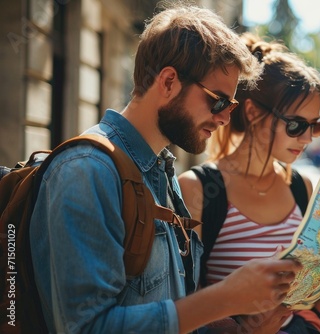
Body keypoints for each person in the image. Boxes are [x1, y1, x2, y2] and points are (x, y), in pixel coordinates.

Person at [29, 4, 303, 334]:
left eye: (231, 105)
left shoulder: (161, 171)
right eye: (218, 101)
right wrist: (223, 298)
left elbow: (169, 306)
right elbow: (88, 328)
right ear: (169, 81)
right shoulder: (88, 171)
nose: (225, 117)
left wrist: (240, 327)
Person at [179, 33, 320, 334]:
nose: (307, 138)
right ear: (252, 112)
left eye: (316, 125)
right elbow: (180, 307)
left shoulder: (302, 188)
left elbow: (311, 305)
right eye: (296, 125)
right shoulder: (197, 189)